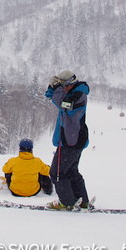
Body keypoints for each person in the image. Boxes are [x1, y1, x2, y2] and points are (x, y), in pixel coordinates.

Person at [44, 70, 91, 210]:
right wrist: (52, 86)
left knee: (57, 173)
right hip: (72, 138)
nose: (62, 89)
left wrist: (58, 88)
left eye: (63, 86)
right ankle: (82, 201)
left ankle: (67, 202)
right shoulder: (71, 92)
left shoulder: (78, 95)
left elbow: (64, 104)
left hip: (72, 139)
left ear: (69, 84)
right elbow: (50, 96)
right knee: (71, 171)